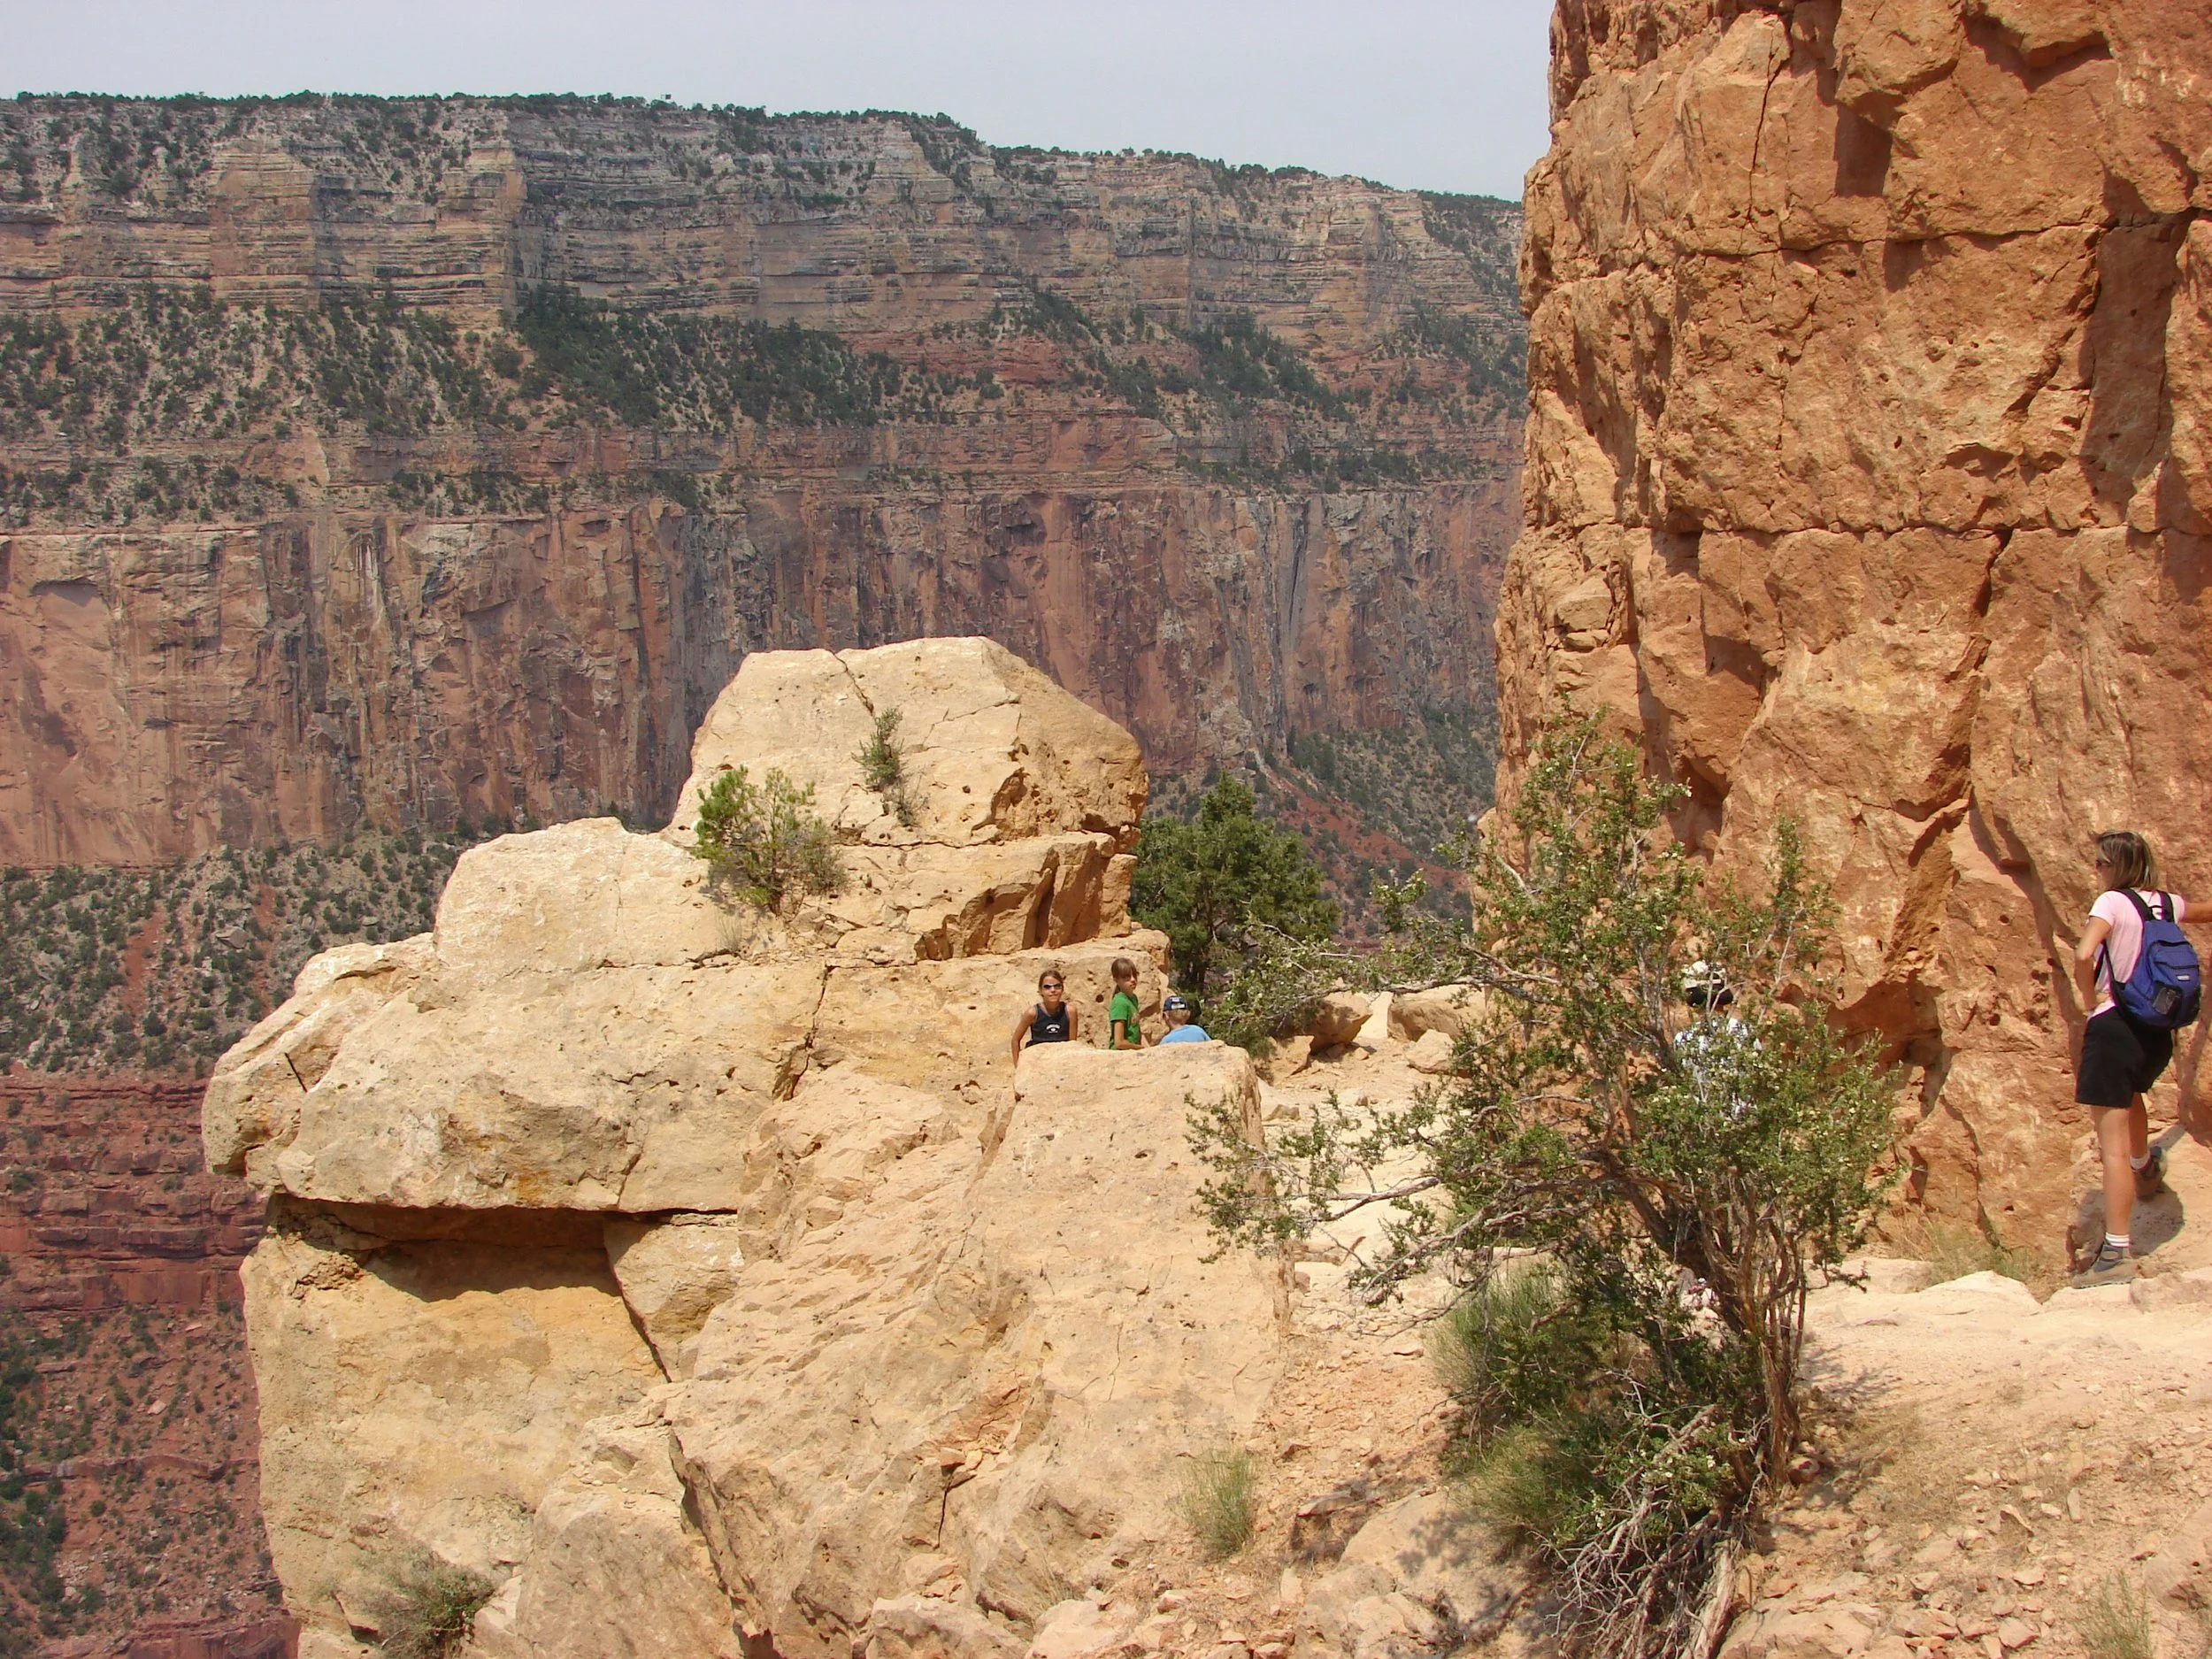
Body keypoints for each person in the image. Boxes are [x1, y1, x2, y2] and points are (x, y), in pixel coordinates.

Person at [2071, 830, 2202, 1287]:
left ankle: (2116, 1254)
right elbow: (2204, 911)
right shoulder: (2164, 903)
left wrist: (2088, 998)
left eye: (2101, 863)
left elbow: (2084, 952)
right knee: (2130, 1098)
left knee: (2111, 1149)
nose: (2097, 871)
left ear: (2117, 867)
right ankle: (2146, 1166)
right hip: (2155, 1032)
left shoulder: (2110, 903)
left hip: (2113, 1027)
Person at [1009, 966, 1079, 1064]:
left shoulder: (1070, 1012)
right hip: (1038, 1061)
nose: (1053, 990)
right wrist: (1018, 1067)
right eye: (1047, 987)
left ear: (1062, 989)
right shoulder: (1033, 1013)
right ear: (1040, 990)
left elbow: (1072, 1044)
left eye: (1057, 986)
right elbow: (1015, 1040)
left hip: (1062, 1060)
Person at [1107, 957, 1143, 1050]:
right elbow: (1119, 1043)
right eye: (1126, 977)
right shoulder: (1119, 1003)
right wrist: (1139, 1048)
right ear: (1116, 980)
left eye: (1134, 975)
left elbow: (1137, 1030)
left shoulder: (1133, 998)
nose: (1133, 980)